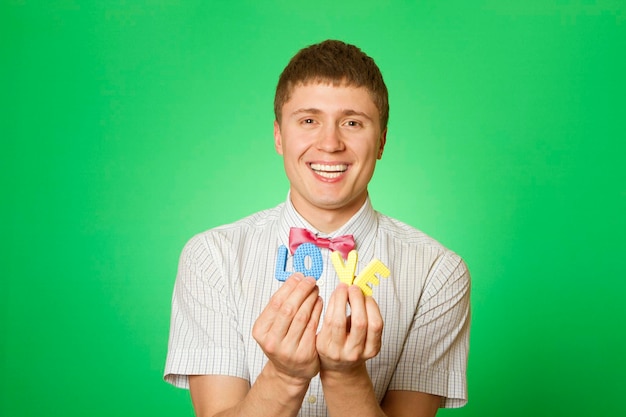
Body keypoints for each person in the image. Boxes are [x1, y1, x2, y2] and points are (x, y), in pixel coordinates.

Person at [164, 39, 471, 417]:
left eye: (352, 123)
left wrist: (346, 376)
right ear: (279, 135)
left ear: (381, 141)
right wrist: (284, 376)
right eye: (309, 121)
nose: (329, 144)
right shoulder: (211, 257)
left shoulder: (437, 272)